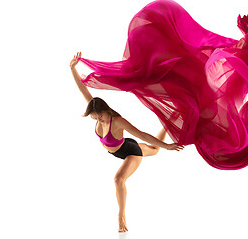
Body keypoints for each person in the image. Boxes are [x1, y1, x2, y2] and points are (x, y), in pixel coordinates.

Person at [70, 52, 184, 233]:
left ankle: (121, 217)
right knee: (155, 150)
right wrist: (72, 68)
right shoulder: (95, 107)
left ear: (103, 111)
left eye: (97, 117)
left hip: (130, 151)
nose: (97, 120)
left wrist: (169, 147)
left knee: (119, 179)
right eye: (94, 119)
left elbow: (142, 135)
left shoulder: (118, 121)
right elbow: (83, 89)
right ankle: (169, 124)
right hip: (120, 150)